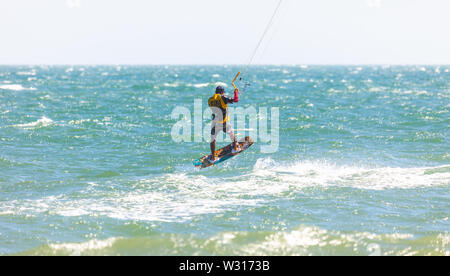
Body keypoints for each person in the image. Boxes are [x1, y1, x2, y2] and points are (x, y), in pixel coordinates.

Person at [208, 85, 241, 162]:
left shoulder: (210, 100)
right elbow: (236, 100)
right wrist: (235, 92)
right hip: (223, 122)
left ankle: (213, 157)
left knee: (213, 139)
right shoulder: (223, 97)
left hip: (214, 122)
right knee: (230, 132)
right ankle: (235, 148)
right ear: (222, 92)